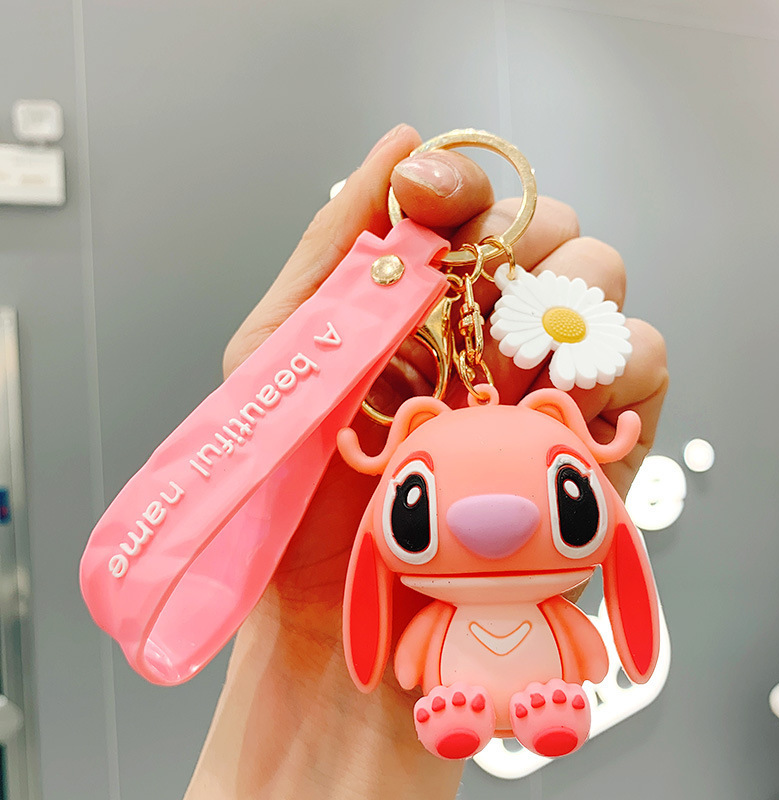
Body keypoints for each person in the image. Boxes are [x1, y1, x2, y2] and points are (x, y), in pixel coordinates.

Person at [183, 124, 668, 799]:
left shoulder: (464, 597)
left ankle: (546, 709)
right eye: (413, 510)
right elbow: (432, 657)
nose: (493, 523)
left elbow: (576, 649)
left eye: (572, 501)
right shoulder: (426, 599)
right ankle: (490, 710)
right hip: (442, 691)